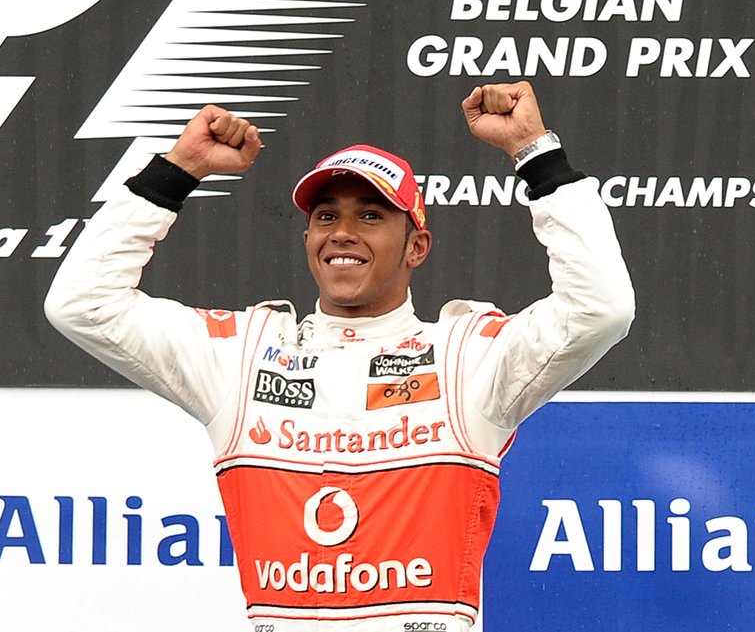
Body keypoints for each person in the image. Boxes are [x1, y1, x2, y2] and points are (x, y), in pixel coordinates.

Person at [45, 81, 634, 632]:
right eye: (326, 216)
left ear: (417, 246)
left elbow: (600, 308)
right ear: (307, 240)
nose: (342, 232)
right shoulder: (242, 356)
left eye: (371, 215)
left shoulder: (467, 359)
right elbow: (82, 304)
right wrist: (178, 169)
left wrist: (536, 153)